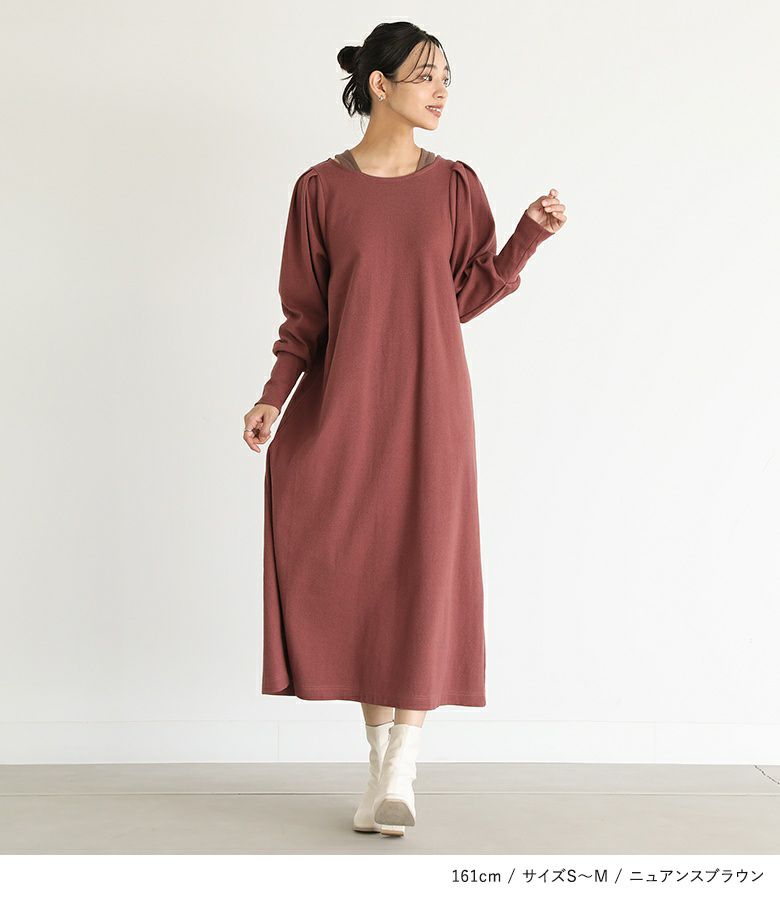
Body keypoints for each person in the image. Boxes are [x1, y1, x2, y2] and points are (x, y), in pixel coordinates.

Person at [243, 21, 565, 837]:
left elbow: (464, 297)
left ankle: (402, 771)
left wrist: (526, 237)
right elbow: (305, 316)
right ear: (380, 85)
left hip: (432, 408)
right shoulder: (319, 189)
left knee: (422, 570)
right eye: (426, 76)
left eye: (447, 76)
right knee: (364, 577)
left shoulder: (455, 184)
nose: (441, 91)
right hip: (346, 408)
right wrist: (274, 396)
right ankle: (380, 765)